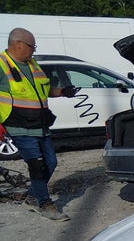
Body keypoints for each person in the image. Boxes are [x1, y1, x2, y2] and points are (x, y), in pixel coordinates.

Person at [0, 27, 77, 221]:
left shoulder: (33, 64)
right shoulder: (1, 65)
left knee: (51, 162)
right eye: (32, 46)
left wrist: (62, 92)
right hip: (18, 124)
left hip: (40, 124)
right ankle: (45, 204)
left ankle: (33, 197)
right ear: (18, 45)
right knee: (37, 165)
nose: (34, 50)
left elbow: (44, 90)